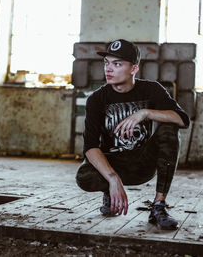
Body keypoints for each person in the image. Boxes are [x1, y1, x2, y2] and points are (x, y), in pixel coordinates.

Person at [75, 39, 190, 230]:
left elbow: (182, 119)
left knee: (169, 129)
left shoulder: (152, 90)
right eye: (107, 63)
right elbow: (90, 147)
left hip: (142, 164)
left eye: (117, 64)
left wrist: (145, 112)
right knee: (84, 176)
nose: (108, 69)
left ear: (134, 69)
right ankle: (110, 193)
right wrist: (111, 178)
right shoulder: (97, 99)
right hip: (113, 164)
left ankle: (158, 206)